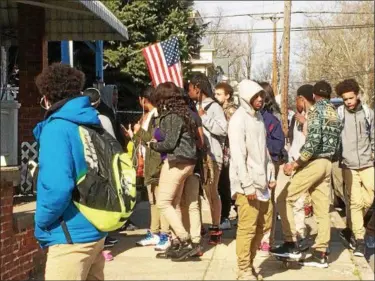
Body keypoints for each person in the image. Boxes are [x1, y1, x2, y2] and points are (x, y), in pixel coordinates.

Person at [34, 63, 106, 280]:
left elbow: (57, 187)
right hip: (96, 227)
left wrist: (42, 221)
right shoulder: (90, 123)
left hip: (69, 235)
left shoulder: (57, 128)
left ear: (47, 96)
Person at [271, 81, 342, 268]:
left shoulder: (316, 111)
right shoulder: (334, 112)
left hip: (315, 162)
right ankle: (321, 253)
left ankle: (290, 243)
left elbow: (312, 142)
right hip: (328, 163)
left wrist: (295, 164)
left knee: (284, 197)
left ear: (308, 97)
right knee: (321, 210)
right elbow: (337, 143)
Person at [228, 79, 276, 280]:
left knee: (264, 225)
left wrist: (271, 172)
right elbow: (238, 155)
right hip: (245, 184)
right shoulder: (238, 119)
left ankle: (250, 263)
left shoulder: (258, 118)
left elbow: (263, 150)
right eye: (255, 97)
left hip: (262, 182)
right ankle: (243, 268)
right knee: (247, 228)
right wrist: (246, 185)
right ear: (246, 98)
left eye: (261, 96)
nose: (259, 100)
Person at [150, 82, 200, 260]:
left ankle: (185, 241)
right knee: (175, 203)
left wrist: (153, 145)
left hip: (176, 162)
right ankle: (178, 243)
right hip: (189, 162)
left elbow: (169, 143)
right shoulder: (186, 113)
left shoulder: (172, 116)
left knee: (163, 202)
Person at [127, 87, 171, 251]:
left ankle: (165, 234)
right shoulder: (149, 116)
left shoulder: (157, 116)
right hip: (148, 161)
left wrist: (140, 132)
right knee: (153, 200)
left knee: (161, 201)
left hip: (156, 163)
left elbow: (154, 140)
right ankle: (154, 232)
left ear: (144, 99)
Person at [335, 78, 374, 257]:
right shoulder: (340, 114)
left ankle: (351, 227)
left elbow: (373, 136)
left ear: (357, 96)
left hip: (367, 163)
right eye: (345, 99)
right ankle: (359, 240)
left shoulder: (368, 113)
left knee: (370, 197)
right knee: (355, 202)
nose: (348, 102)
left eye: (351, 98)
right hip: (348, 165)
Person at [188, 73, 228, 244]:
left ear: (198, 88)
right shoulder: (193, 105)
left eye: (190, 88)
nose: (188, 91)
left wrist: (203, 116)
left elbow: (223, 130)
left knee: (212, 193)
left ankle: (215, 227)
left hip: (211, 157)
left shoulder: (214, 107)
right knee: (197, 193)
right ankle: (199, 227)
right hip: (197, 156)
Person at [284, 84, 315, 251]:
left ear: (303, 99)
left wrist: (306, 124)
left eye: (297, 99)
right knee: (297, 200)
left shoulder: (313, 116)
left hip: (306, 163)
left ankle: (300, 234)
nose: (296, 102)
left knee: (298, 200)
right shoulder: (296, 117)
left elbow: (312, 140)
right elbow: (293, 141)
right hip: (295, 161)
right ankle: (298, 232)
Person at [257, 82, 285, 254]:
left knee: (267, 203)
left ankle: (267, 238)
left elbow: (278, 143)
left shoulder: (270, 119)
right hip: (252, 165)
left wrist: (263, 146)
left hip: (269, 164)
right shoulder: (247, 117)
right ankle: (257, 235)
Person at [214, 82, 237, 230]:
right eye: (215, 94)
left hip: (229, 152)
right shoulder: (218, 109)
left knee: (225, 185)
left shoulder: (231, 111)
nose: (216, 97)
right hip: (222, 150)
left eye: (219, 94)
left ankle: (225, 216)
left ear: (227, 95)